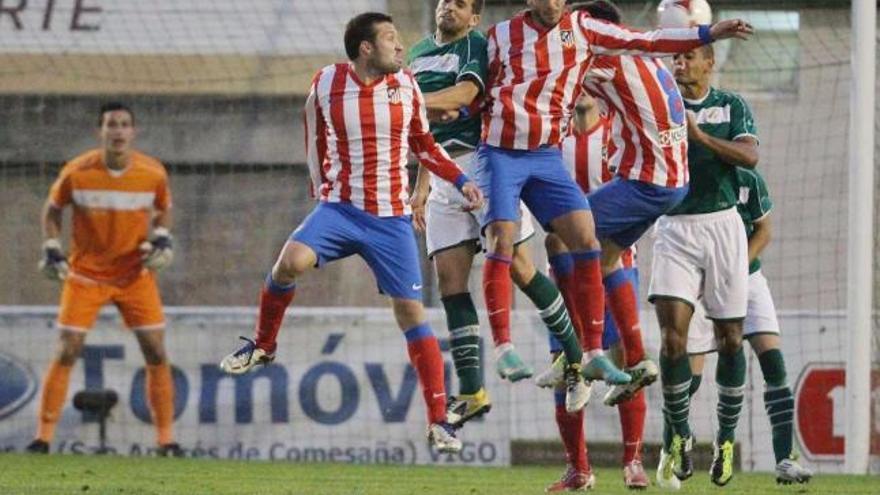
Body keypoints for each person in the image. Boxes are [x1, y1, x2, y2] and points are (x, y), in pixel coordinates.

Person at [218, 12, 484, 454]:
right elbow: (312, 130)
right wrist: (318, 187)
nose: (401, 47)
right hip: (339, 208)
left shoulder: (407, 87)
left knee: (411, 314)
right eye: (391, 39)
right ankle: (263, 345)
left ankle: (439, 421)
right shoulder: (326, 82)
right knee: (289, 264)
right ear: (366, 48)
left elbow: (424, 144)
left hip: (391, 219)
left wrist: (459, 180)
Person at [478, 0, 752, 400]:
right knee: (604, 256)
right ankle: (637, 358)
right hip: (670, 182)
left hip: (647, 182)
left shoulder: (602, 59)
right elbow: (651, 41)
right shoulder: (643, 60)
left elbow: (561, 69)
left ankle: (572, 358)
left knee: (559, 241)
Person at [407, 0, 588, 423]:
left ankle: (577, 360)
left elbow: (466, 94)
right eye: (444, 0)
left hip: (484, 164)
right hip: (440, 173)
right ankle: (472, 390)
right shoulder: (416, 54)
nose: (449, 6)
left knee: (520, 268)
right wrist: (421, 187)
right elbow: (422, 130)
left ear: (474, 18)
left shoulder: (476, 44)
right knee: (450, 281)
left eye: (462, 4)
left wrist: (412, 99)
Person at [26, 102, 180, 457]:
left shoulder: (152, 172)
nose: (118, 131)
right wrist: (51, 244)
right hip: (85, 275)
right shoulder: (77, 171)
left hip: (134, 274)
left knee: (156, 351)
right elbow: (52, 209)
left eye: (124, 124)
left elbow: (164, 211)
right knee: (67, 349)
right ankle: (42, 439)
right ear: (101, 132)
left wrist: (161, 237)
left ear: (133, 132)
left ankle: (166, 441)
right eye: (111, 124)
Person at [650, 44, 757, 488]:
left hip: (723, 225)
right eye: (676, 57)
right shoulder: (662, 103)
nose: (680, 63)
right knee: (673, 341)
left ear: (710, 62)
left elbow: (749, 157)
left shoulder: (729, 105)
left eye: (690, 56)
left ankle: (726, 441)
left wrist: (701, 138)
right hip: (674, 227)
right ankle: (679, 435)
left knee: (731, 339)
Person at [542, 93, 648, 491]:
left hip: (616, 264)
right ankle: (578, 468)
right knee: (565, 365)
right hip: (565, 268)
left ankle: (633, 460)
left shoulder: (618, 136)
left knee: (627, 361)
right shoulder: (552, 140)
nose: (581, 87)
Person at [686, 167, 814, 485]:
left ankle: (785, 458)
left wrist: (737, 270)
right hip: (700, 281)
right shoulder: (691, 175)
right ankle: (679, 443)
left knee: (773, 360)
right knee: (690, 375)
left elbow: (764, 231)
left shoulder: (748, 179)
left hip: (748, 277)